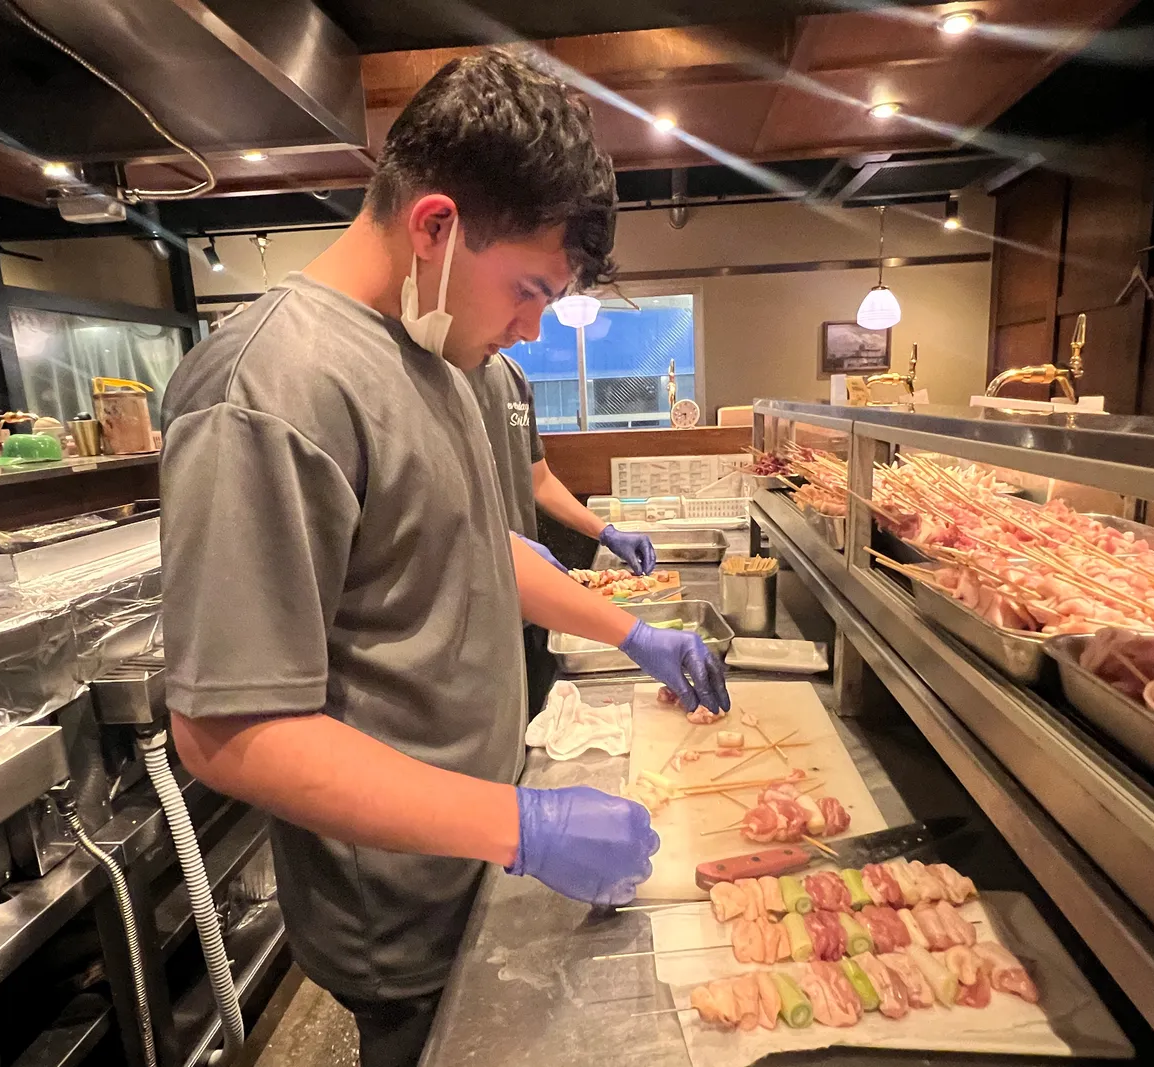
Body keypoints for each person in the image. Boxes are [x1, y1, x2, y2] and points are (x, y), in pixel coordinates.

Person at [159, 50, 729, 1067]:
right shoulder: (270, 390)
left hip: (478, 851)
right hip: (403, 906)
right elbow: (227, 728)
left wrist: (632, 630)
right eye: (527, 287)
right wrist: (522, 822)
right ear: (434, 227)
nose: (532, 324)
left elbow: (476, 548)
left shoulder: (446, 361)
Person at [466, 350, 657, 719]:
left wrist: (605, 531)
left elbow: (540, 480)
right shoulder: (439, 370)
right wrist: (506, 546)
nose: (530, 331)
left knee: (530, 710)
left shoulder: (512, 376)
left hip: (530, 595)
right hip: (476, 599)